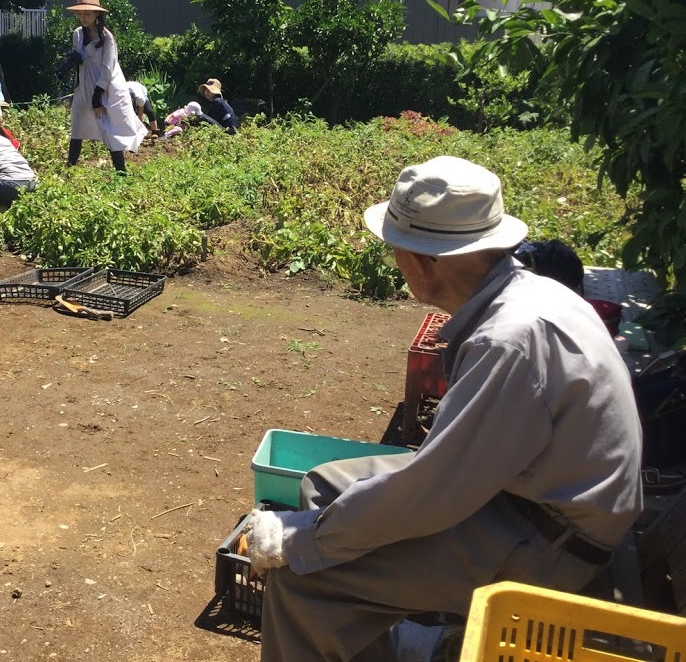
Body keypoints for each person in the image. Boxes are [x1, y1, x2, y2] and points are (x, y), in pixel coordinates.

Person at [247, 155, 643, 662]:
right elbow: (447, 476)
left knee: (302, 584)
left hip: (549, 542)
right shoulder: (535, 294)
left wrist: (299, 544)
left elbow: (435, 492)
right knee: (322, 485)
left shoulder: (510, 342)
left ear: (423, 261)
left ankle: (332, 608)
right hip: (528, 499)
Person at [63, 0, 146, 173]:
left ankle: (121, 172)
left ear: (97, 14)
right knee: (77, 125)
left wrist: (97, 94)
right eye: (80, 14)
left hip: (106, 88)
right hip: (83, 85)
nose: (83, 18)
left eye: (87, 13)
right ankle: (70, 169)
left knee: (108, 128)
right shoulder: (77, 34)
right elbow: (79, 58)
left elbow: (108, 68)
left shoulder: (106, 38)